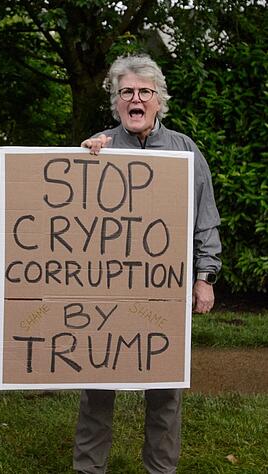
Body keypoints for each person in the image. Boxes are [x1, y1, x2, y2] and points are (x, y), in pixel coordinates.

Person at [76, 54, 222, 474]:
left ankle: (160, 469)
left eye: (144, 92)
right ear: (116, 102)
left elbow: (205, 218)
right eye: (126, 92)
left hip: (164, 289)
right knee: (98, 383)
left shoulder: (184, 150)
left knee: (165, 387)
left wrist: (205, 277)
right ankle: (89, 468)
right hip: (106, 292)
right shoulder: (98, 148)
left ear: (159, 100)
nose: (135, 99)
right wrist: (83, 161)